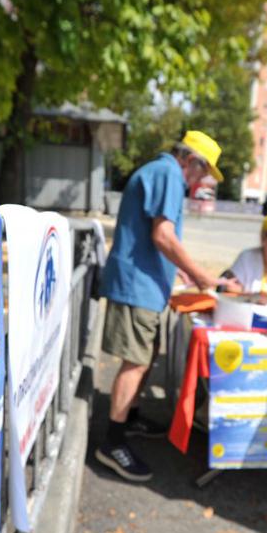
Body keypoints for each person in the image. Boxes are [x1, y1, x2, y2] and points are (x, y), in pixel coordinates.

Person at [96, 131, 227, 482]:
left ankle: (131, 415)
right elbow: (163, 235)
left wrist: (181, 274)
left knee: (147, 354)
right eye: (203, 173)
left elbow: (158, 239)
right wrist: (201, 276)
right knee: (136, 361)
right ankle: (112, 441)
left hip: (145, 285)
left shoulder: (161, 171)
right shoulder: (169, 173)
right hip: (137, 286)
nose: (201, 181)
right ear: (191, 160)